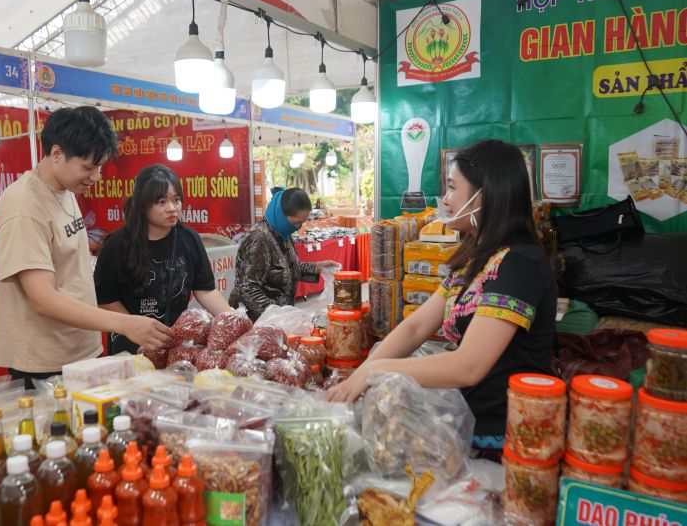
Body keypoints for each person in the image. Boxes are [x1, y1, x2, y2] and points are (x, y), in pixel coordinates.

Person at [328, 140, 557, 457]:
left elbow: (469, 366)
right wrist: (359, 374)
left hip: (505, 441)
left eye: (452, 188)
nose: (445, 200)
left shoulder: (519, 266)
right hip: (466, 424)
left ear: (484, 196)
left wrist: (377, 371)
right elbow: (416, 327)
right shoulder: (477, 257)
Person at [0, 106, 172, 389]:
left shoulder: (64, 190)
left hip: (82, 351)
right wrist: (125, 324)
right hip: (46, 363)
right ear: (56, 154)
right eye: (88, 167)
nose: (96, 177)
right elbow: (43, 298)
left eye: (99, 167)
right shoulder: (23, 206)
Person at [94, 164, 234, 354]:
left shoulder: (189, 239)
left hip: (176, 343)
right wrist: (132, 326)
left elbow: (205, 291)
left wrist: (234, 321)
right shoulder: (117, 244)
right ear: (143, 205)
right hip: (131, 345)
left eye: (176, 200)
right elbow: (105, 299)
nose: (172, 208)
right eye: (161, 202)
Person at [230, 188, 339, 320]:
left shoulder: (283, 233)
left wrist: (317, 267)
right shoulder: (259, 238)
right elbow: (247, 287)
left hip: (280, 318)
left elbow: (288, 268)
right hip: (257, 321)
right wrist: (278, 316)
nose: (297, 227)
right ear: (281, 214)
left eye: (302, 223)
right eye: (295, 223)